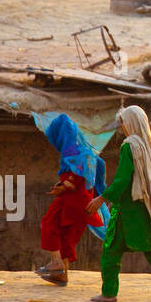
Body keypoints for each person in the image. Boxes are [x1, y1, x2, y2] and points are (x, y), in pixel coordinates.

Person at [85, 106, 151, 302]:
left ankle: (109, 293)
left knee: (111, 250)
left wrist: (101, 198)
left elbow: (122, 180)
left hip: (127, 210)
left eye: (124, 123)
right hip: (144, 208)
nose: (122, 128)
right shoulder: (146, 145)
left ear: (131, 124)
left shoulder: (129, 146)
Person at [36, 114, 109, 286]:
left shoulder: (73, 150)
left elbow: (77, 175)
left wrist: (63, 187)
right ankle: (62, 274)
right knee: (67, 236)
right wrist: (63, 184)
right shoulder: (87, 152)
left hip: (72, 200)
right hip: (85, 202)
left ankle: (56, 263)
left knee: (49, 224)